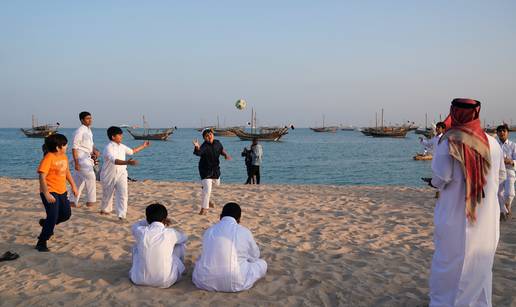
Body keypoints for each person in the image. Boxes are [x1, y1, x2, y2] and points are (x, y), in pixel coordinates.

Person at [428, 98, 506, 306]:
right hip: (487, 217)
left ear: (454, 112)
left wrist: (434, 183)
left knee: (450, 265)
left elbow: (441, 177)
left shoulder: (449, 140)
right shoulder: (493, 143)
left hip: (456, 215)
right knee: (481, 265)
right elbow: (502, 177)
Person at [192, 203, 267, 292]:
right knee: (262, 263)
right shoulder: (244, 231)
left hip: (204, 282)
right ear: (239, 219)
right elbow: (255, 256)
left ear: (220, 216)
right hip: (236, 282)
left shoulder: (209, 231)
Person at [36, 134, 78, 252]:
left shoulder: (64, 156)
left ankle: (46, 223)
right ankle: (42, 241)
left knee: (66, 215)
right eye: (64, 145)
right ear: (58, 147)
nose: (67, 146)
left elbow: (67, 172)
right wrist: (46, 193)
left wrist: (74, 186)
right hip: (50, 192)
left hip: (62, 191)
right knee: (53, 216)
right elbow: (42, 177)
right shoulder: (48, 158)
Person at [129, 203, 188, 288]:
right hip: (165, 281)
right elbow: (184, 237)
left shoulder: (141, 231)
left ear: (147, 219)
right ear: (165, 219)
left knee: (136, 246)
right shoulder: (170, 233)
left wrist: (150, 220)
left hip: (138, 279)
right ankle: (182, 270)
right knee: (180, 245)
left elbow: (135, 225)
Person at [99, 126, 150, 220]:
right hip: (108, 174)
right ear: (113, 137)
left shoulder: (122, 146)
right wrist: (127, 162)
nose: (121, 137)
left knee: (123, 193)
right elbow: (114, 161)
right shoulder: (108, 148)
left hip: (122, 173)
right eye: (119, 135)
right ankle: (104, 210)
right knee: (107, 195)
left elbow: (132, 151)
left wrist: (143, 146)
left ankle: (121, 215)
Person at [192, 129, 231, 215]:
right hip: (205, 170)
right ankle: (204, 209)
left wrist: (225, 155)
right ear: (204, 138)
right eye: (206, 136)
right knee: (207, 189)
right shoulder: (204, 146)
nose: (209, 136)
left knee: (216, 184)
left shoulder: (218, 143)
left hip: (215, 170)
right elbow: (198, 153)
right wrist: (197, 146)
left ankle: (207, 196)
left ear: (213, 134)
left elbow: (221, 150)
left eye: (210, 134)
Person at [69, 111, 100, 208]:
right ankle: (91, 202)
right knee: (91, 177)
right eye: (87, 118)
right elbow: (74, 147)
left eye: (90, 118)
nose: (90, 120)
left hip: (86, 157)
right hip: (80, 158)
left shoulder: (88, 130)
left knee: (78, 181)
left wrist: (95, 150)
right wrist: (76, 163)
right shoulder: (79, 131)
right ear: (82, 120)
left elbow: (90, 144)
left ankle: (72, 201)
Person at [496, 124, 516, 220]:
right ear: (497, 133)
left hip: (509, 171)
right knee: (498, 193)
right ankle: (503, 211)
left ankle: (507, 205)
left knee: (510, 193)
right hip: (498, 172)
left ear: (508, 133)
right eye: (499, 131)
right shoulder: (495, 145)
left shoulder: (513, 145)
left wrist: (511, 161)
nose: (502, 132)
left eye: (504, 131)